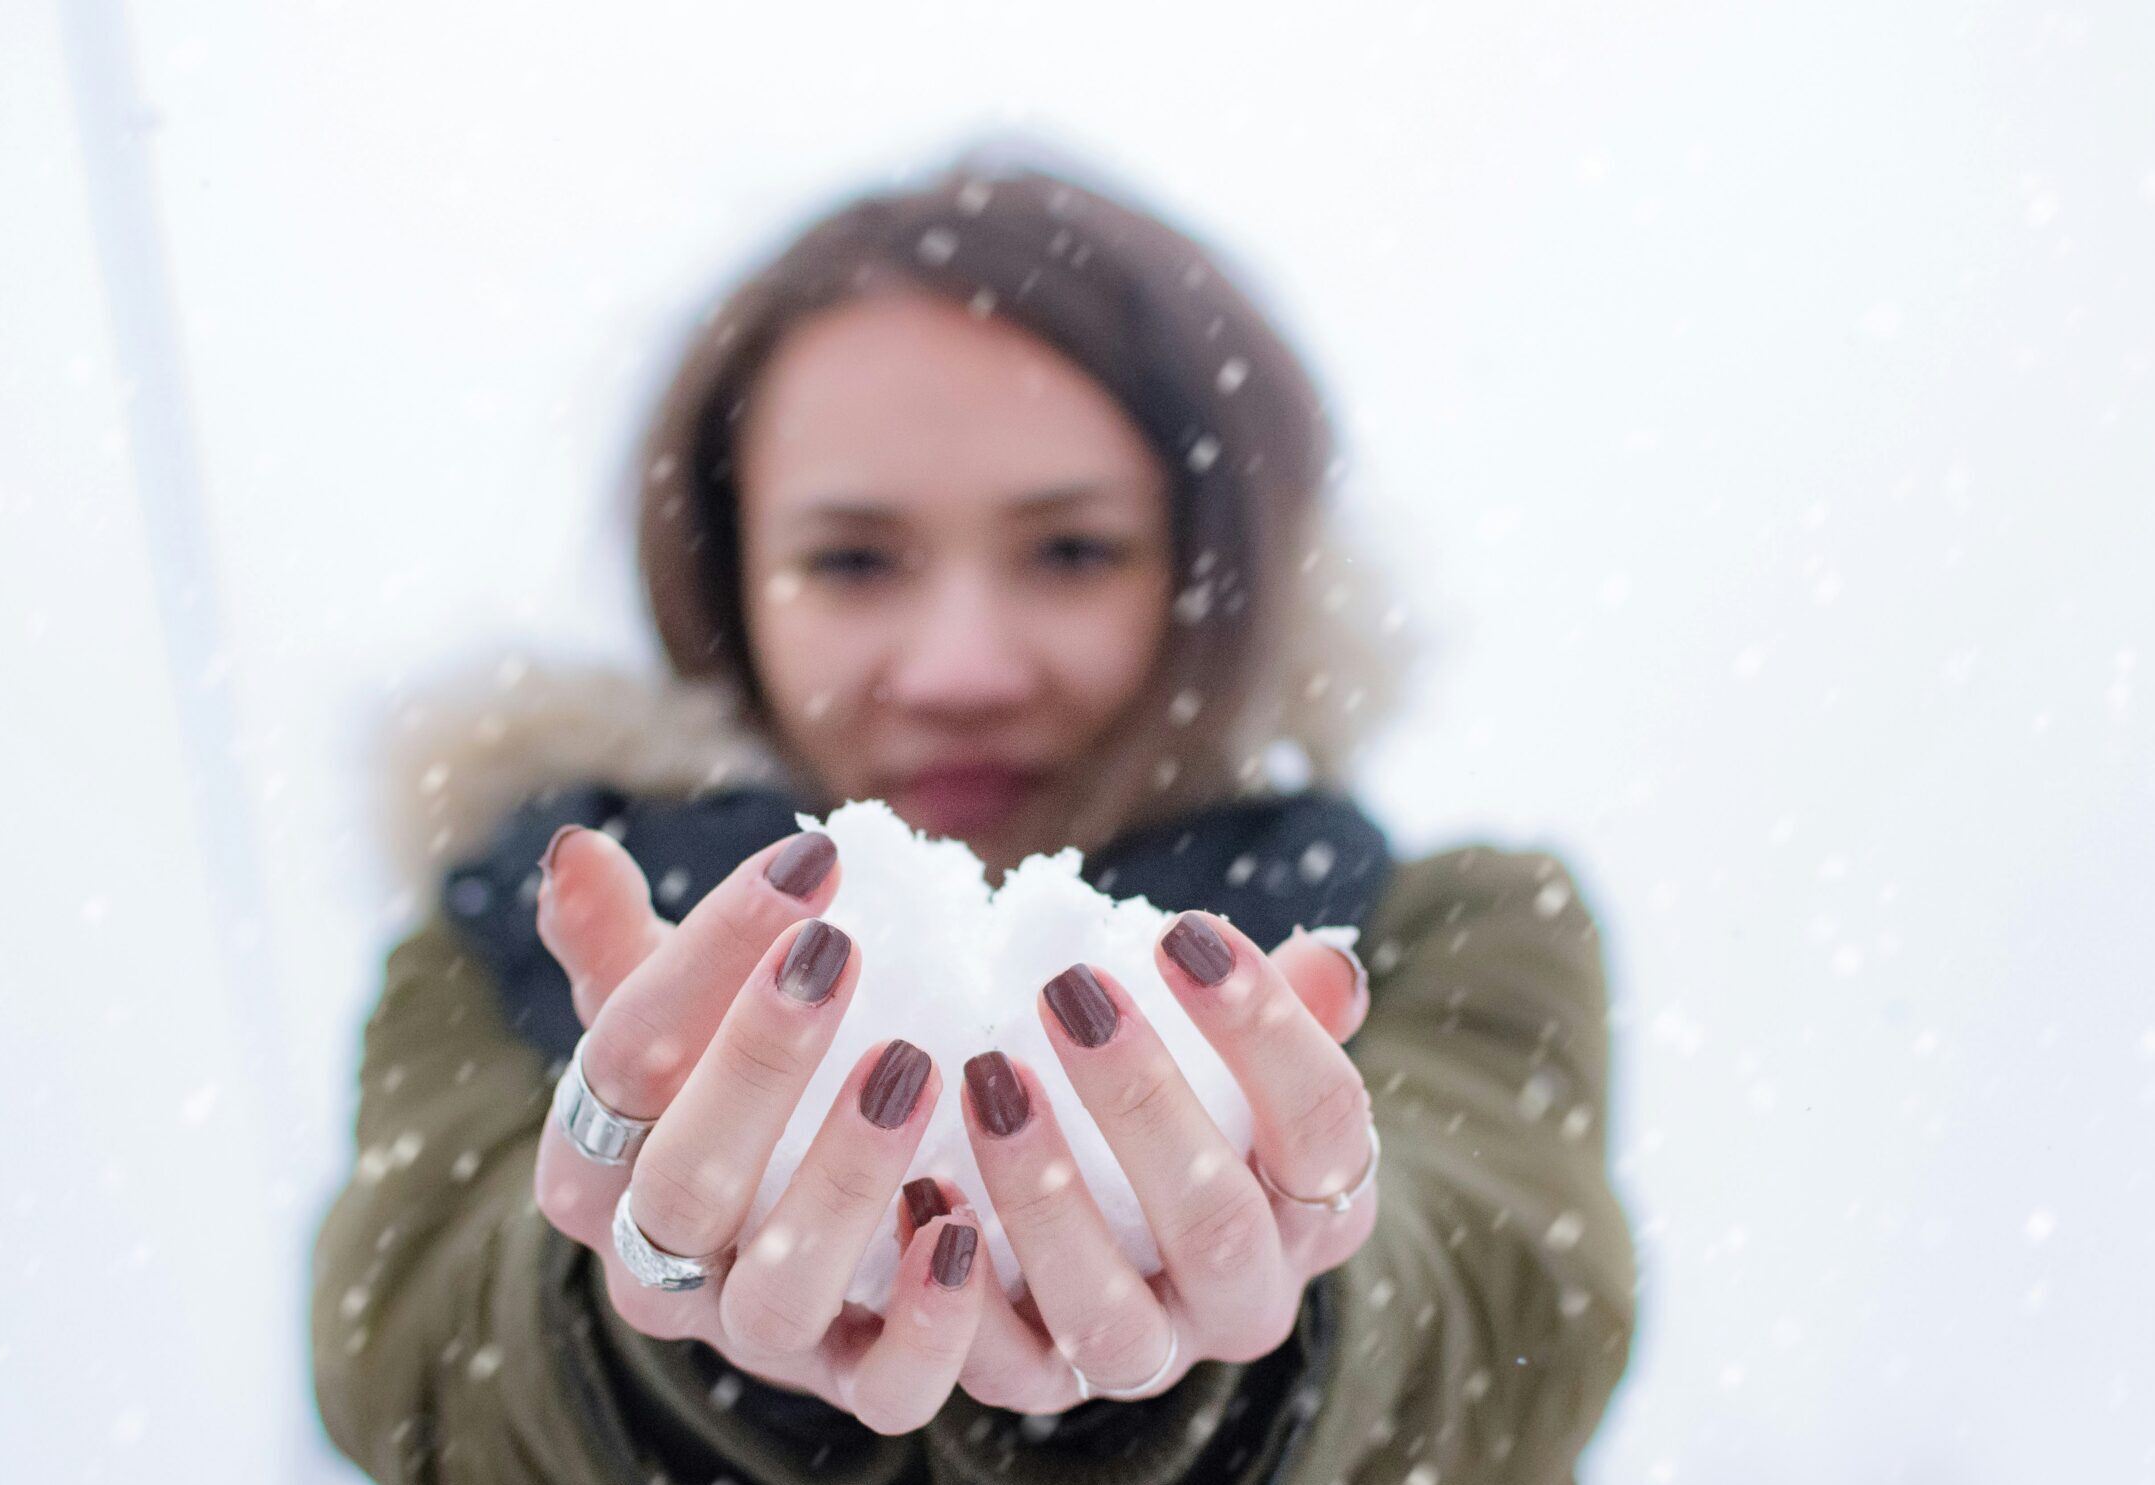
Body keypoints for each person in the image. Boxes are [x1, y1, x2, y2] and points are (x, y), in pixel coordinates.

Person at [310, 144, 1636, 1484]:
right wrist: (668, 1331)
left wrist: (1244, 1346)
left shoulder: (1444, 928)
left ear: (1216, 574)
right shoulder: (503, 945)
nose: (960, 668)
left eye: (1070, 550)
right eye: (853, 561)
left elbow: (1507, 1322)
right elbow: (416, 1368)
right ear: (729, 581)